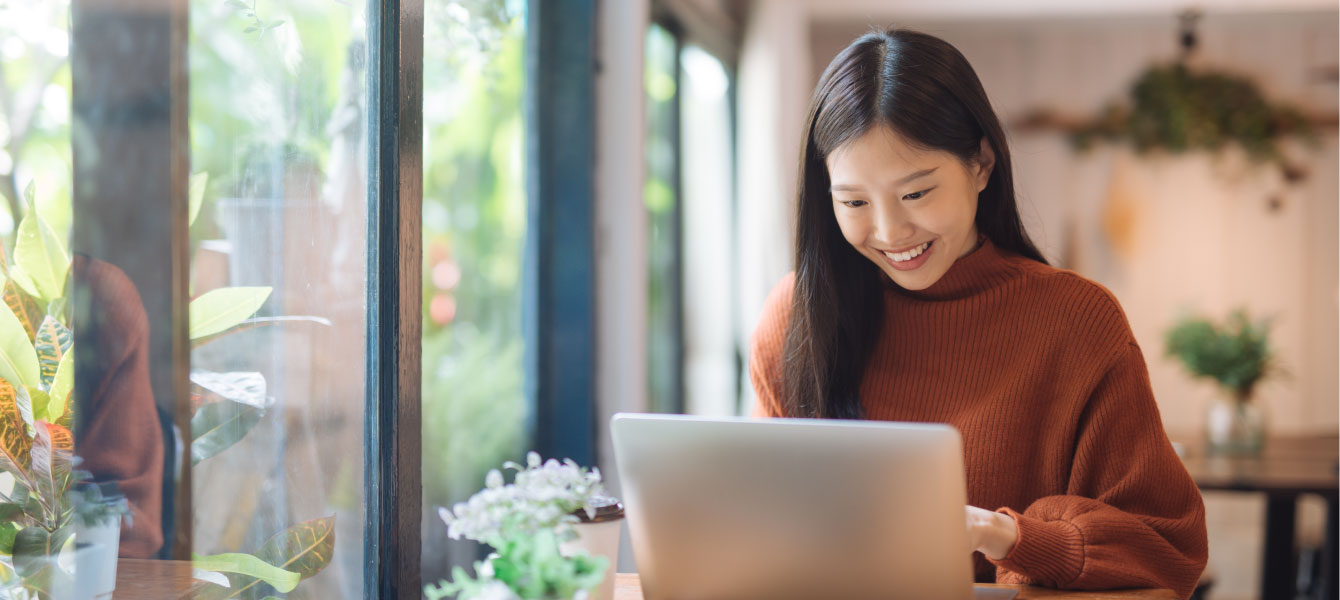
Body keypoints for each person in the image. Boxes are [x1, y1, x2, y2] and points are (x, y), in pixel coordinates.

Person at [749, 28, 1208, 597]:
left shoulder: (1077, 322)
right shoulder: (796, 317)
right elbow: (771, 532)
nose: (890, 232)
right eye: (854, 202)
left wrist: (1009, 537)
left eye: (916, 193)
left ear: (981, 164)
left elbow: (1167, 551)